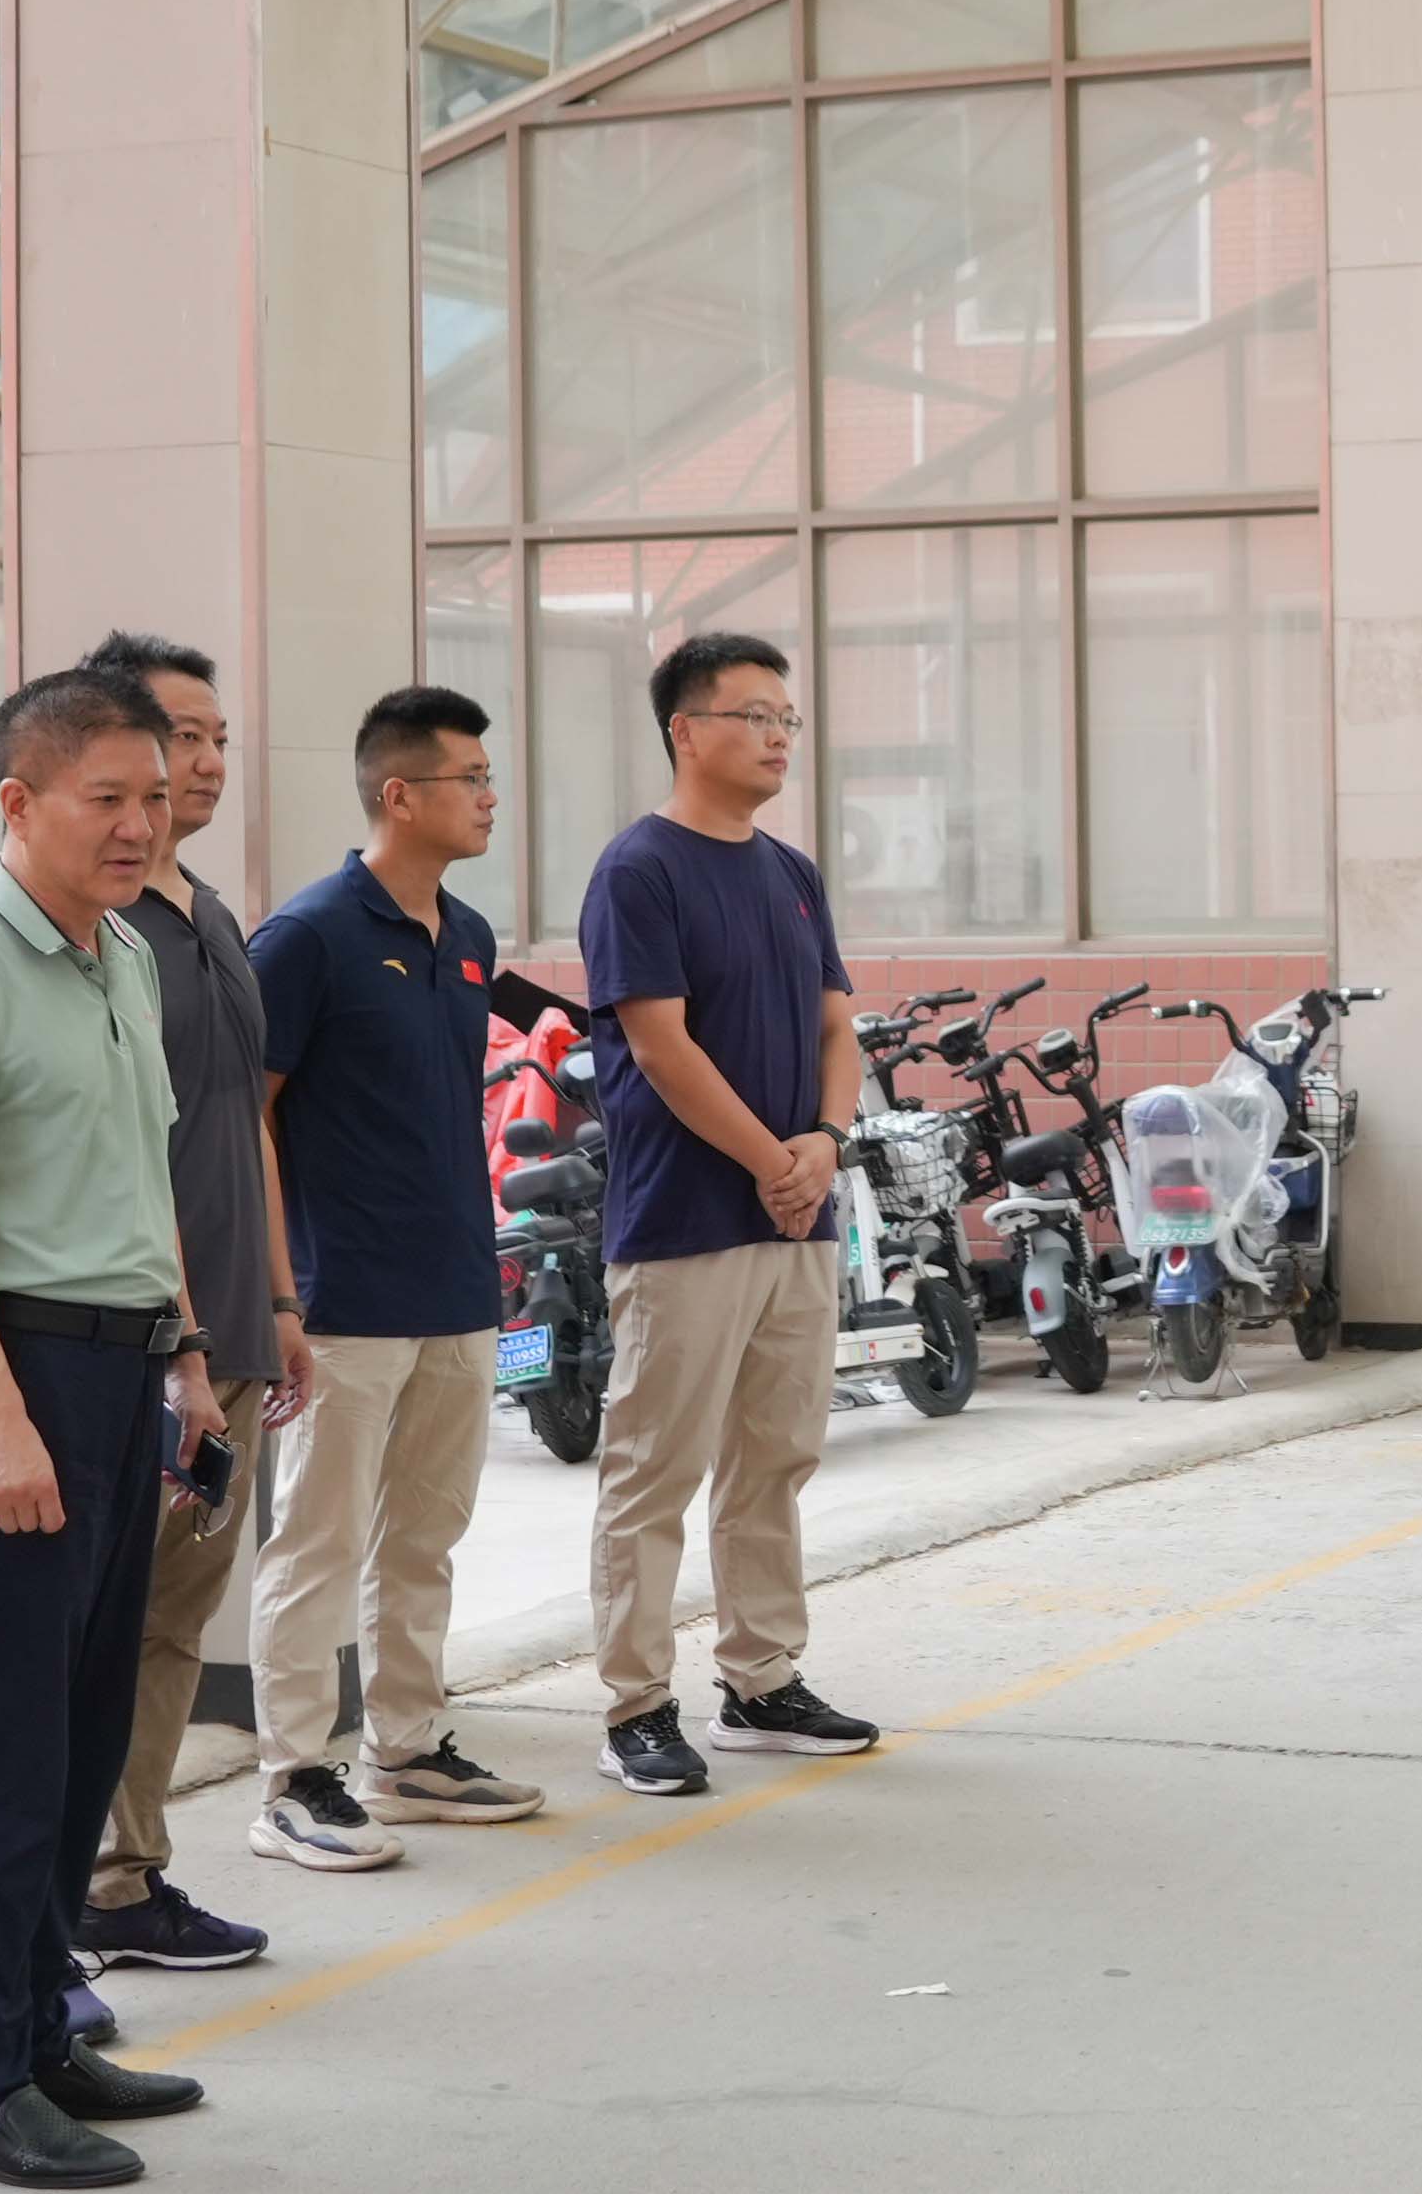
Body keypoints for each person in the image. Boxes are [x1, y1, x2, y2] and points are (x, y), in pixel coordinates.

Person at [0, 666, 227, 2188]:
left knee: (81, 1741)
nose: (142, 824)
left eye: (157, 796)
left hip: (118, 1378)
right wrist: (0, 1425)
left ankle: (38, 2029)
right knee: (3, 1753)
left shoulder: (120, 953)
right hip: (10, 1383)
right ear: (19, 801)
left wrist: (187, 1358)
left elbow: (140, 1186)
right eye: (108, 798)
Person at [572, 632, 885, 1795]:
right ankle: (635, 1707)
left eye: (787, 719)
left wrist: (826, 1143)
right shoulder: (638, 870)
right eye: (754, 714)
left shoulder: (793, 873)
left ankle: (761, 1676)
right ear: (685, 730)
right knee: (653, 1468)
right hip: (686, 1220)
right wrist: (771, 1160)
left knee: (775, 1457)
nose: (778, 736)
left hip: (796, 1216)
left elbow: (838, 1026)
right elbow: (660, 1045)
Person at [242, 688, 540, 1873]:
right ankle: (291, 1778)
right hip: (343, 1300)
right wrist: (279, 1293)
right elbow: (247, 1121)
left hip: (456, 1288)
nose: (491, 796)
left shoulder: (467, 935)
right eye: (472, 777)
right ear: (400, 794)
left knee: (425, 1537)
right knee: (316, 1545)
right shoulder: (306, 937)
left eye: (490, 775)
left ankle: (405, 1751)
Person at [69, 637, 319, 1969]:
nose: (205, 762)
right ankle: (76, 1881)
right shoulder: (95, 934)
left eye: (218, 737)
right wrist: (183, 1334)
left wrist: (277, 1296)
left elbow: (245, 1122)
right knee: (104, 1621)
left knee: (173, 1623)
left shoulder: (213, 918)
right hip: (141, 1340)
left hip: (230, 1328)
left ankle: (125, 1875)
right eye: (181, 736)